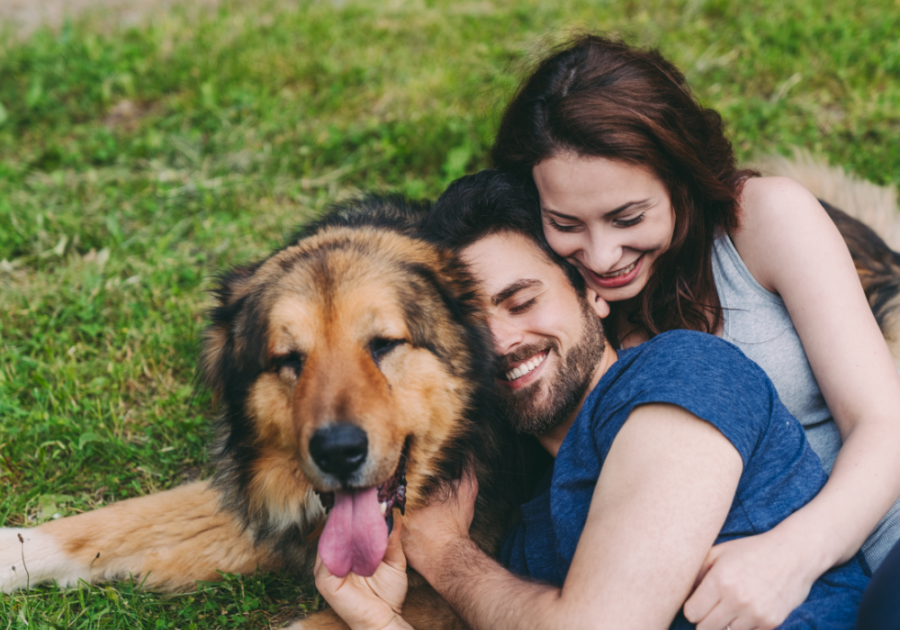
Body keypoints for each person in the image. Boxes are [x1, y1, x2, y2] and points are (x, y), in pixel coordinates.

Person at [314, 169, 869, 630]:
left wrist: (443, 554)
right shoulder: (526, 543)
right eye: (469, 328)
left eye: (522, 301)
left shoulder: (679, 373)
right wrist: (378, 622)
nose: (502, 342)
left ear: (590, 293)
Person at [487, 35, 900, 630]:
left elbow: (882, 425)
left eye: (629, 217)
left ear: (681, 178)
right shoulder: (560, 311)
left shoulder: (763, 222)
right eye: (566, 222)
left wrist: (792, 555)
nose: (602, 255)